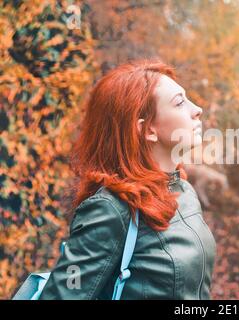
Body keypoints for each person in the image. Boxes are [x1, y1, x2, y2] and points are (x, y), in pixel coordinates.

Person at [39, 58, 216, 300]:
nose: (197, 109)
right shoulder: (110, 210)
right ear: (147, 130)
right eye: (179, 103)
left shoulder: (183, 190)